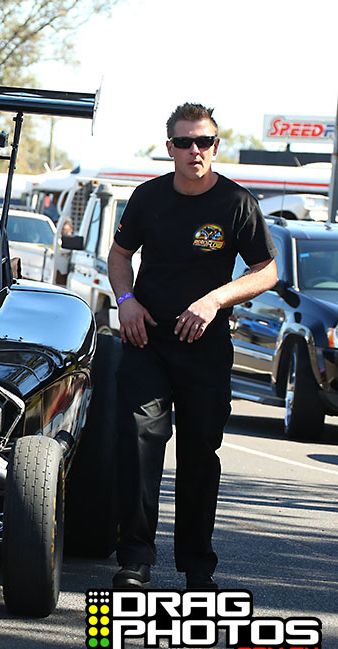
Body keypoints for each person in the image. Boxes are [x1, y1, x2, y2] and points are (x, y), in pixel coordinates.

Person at [107, 103, 278, 591]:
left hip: (205, 347)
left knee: (200, 451)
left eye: (203, 141)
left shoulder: (236, 203)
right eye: (184, 142)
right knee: (140, 439)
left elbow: (266, 271)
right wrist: (126, 301)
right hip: (147, 340)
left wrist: (215, 299)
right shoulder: (148, 197)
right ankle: (135, 560)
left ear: (215, 146)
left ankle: (198, 567)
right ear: (170, 148)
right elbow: (119, 255)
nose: (194, 150)